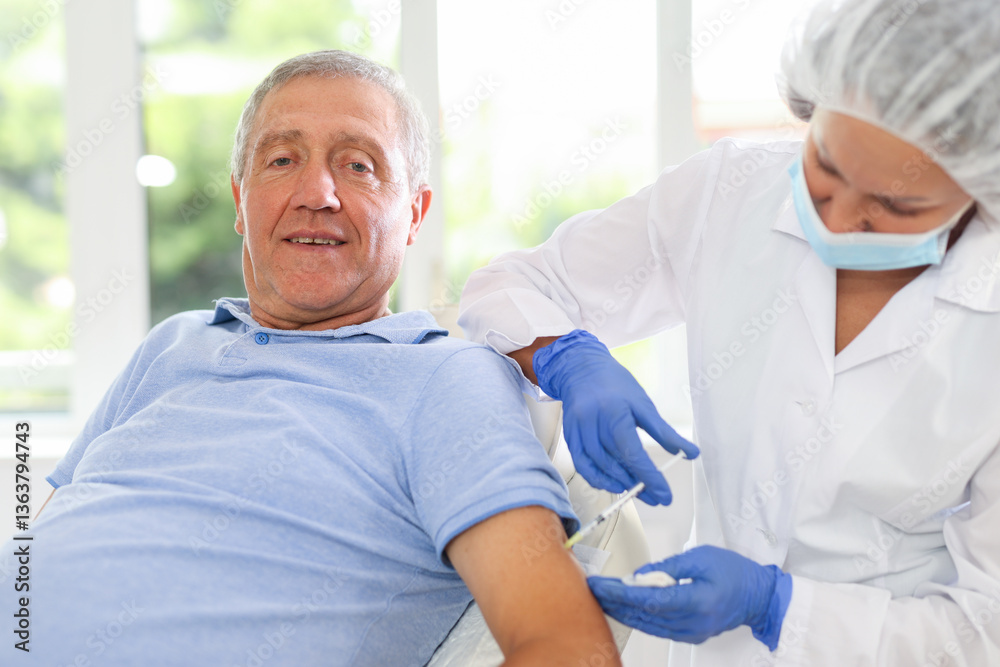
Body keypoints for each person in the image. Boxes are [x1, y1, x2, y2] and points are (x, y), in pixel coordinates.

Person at [0, 50, 621, 667]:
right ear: (241, 201)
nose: (316, 193)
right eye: (281, 160)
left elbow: (569, 646)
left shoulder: (447, 379)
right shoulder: (173, 343)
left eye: (357, 165)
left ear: (414, 213)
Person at [458, 0, 1000, 664]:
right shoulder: (731, 191)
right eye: (826, 164)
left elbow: (984, 629)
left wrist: (777, 606)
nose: (839, 216)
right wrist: (566, 357)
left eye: (896, 203)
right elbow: (508, 286)